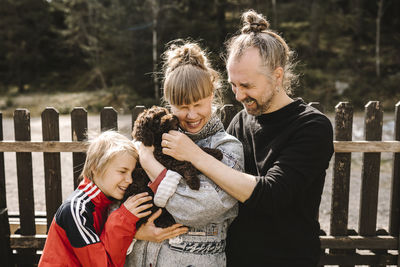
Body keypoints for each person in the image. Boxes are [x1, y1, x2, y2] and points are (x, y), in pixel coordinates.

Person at [161, 10, 334, 266]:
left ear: (277, 76)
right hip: (234, 258)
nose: (239, 95)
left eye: (248, 86)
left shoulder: (311, 127)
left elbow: (270, 196)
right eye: (233, 85)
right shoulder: (241, 120)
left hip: (287, 259)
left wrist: (194, 155)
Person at [125, 41, 244, 267]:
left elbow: (197, 209)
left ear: (212, 95)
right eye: (181, 106)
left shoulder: (228, 149)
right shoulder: (150, 141)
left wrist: (149, 162)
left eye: (198, 104)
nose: (191, 115)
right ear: (169, 103)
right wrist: (135, 231)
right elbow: (117, 193)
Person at [39, 131, 187, 266]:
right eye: (122, 171)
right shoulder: (76, 210)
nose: (129, 179)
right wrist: (123, 220)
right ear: (96, 168)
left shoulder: (106, 203)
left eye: (131, 173)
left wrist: (134, 233)